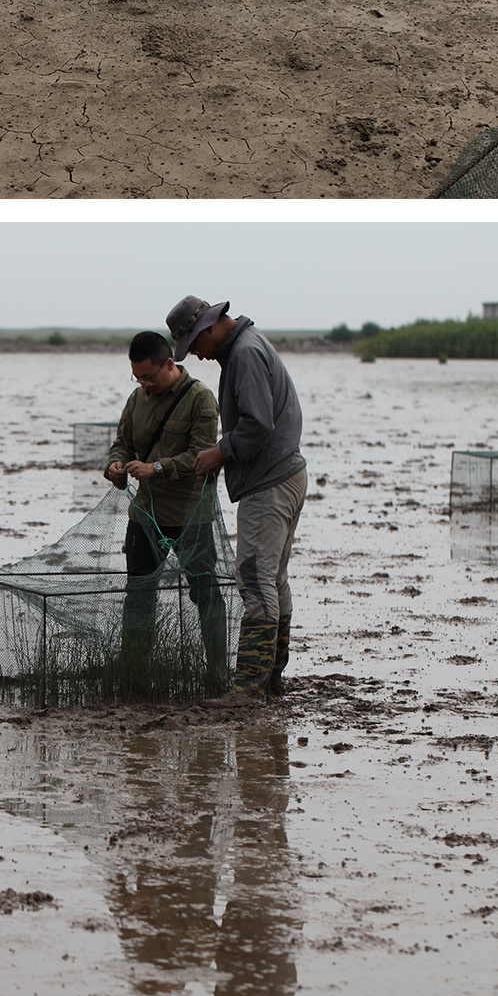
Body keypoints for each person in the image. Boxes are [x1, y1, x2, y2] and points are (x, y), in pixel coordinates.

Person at [167, 295, 308, 702]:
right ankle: (270, 679)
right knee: (273, 579)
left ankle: (248, 687)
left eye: (195, 345)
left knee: (254, 580)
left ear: (210, 329)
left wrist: (220, 451)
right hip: (287, 474)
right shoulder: (249, 344)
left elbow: (257, 425)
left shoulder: (244, 353)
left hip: (270, 483)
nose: (197, 355)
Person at [106, 330, 226, 686]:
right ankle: (134, 676)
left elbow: (201, 455)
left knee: (206, 595)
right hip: (145, 517)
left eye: (149, 376)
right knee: (139, 596)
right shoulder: (136, 399)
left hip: (192, 516)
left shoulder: (200, 398)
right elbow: (122, 445)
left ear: (170, 364)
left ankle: (216, 673)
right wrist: (115, 467)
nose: (143, 384)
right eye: (137, 376)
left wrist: (155, 468)